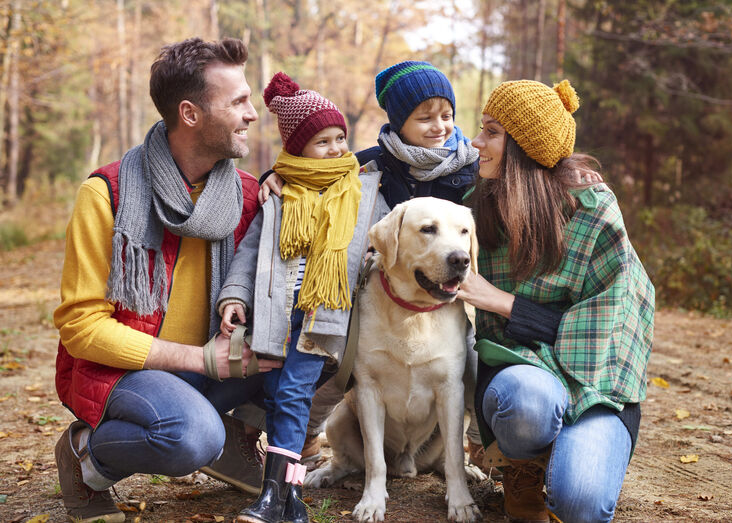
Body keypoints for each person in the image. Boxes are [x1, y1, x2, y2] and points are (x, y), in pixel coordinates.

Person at [52, 37, 282, 522]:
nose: (252, 113)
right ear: (191, 114)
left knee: (309, 348)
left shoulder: (244, 194)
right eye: (238, 101)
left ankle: (238, 440)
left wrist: (298, 184)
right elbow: (81, 328)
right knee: (191, 437)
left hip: (205, 364)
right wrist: (198, 358)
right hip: (124, 370)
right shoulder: (108, 194)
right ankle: (86, 458)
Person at [257, 60, 486, 466]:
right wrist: (272, 177)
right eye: (425, 117)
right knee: (344, 358)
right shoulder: (373, 165)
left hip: (447, 291)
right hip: (383, 292)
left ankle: (481, 443)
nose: (440, 126)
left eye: (447, 115)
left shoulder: (470, 168)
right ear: (398, 122)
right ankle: (307, 435)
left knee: (471, 355)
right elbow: (314, 170)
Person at [458, 78, 655, 523]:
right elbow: (418, 152)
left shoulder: (592, 210)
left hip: (598, 385)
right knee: (529, 401)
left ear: (525, 148)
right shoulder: (478, 204)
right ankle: (522, 465)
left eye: (491, 131)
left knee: (581, 503)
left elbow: (603, 332)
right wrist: (285, 172)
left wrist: (503, 302)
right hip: (521, 372)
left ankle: (566, 459)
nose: (476, 141)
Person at [218, 72, 386, 523]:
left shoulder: (363, 193)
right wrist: (234, 296)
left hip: (322, 318)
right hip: (274, 318)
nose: (335, 149)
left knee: (292, 394)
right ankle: (289, 500)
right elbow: (249, 252)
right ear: (296, 149)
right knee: (276, 397)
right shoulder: (277, 194)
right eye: (322, 142)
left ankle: (271, 498)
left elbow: (385, 243)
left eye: (340, 138)